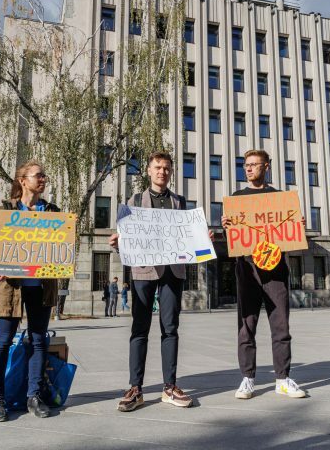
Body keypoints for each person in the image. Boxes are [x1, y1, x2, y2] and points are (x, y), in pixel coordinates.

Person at [109, 151, 214, 412]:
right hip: (143, 271)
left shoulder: (180, 202)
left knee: (170, 328)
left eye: (167, 168)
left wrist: (203, 240)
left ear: (171, 172)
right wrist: (117, 245)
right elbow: (126, 242)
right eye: (157, 167)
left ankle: (170, 386)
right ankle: (135, 388)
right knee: (139, 328)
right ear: (148, 170)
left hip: (172, 272)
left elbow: (188, 238)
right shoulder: (133, 201)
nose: (162, 172)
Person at [221, 149, 308, 400]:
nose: (248, 169)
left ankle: (282, 378)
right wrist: (225, 225)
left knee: (280, 324)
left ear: (266, 166)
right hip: (247, 269)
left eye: (254, 165)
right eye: (245, 165)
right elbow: (232, 237)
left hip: (276, 269)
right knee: (246, 326)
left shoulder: (280, 198)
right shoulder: (237, 199)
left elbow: (290, 233)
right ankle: (247, 378)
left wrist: (297, 226)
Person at [0, 160, 59, 422]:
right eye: (38, 175)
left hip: (40, 286)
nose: (43, 179)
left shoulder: (52, 212)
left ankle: (34, 396)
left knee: (39, 340)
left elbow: (60, 246)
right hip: (10, 288)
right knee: (2, 341)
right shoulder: (5, 210)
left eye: (44, 176)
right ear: (23, 180)